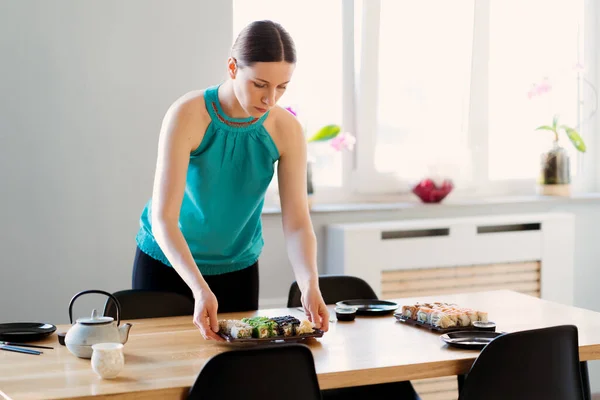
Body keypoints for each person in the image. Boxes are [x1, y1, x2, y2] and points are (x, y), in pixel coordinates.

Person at [132, 20, 329, 341]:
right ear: (233, 67)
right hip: (168, 264)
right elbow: (163, 219)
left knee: (232, 377)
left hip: (238, 268)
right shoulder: (187, 114)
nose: (270, 99)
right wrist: (199, 288)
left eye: (282, 87)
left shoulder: (287, 130)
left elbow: (296, 223)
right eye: (260, 84)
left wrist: (309, 284)